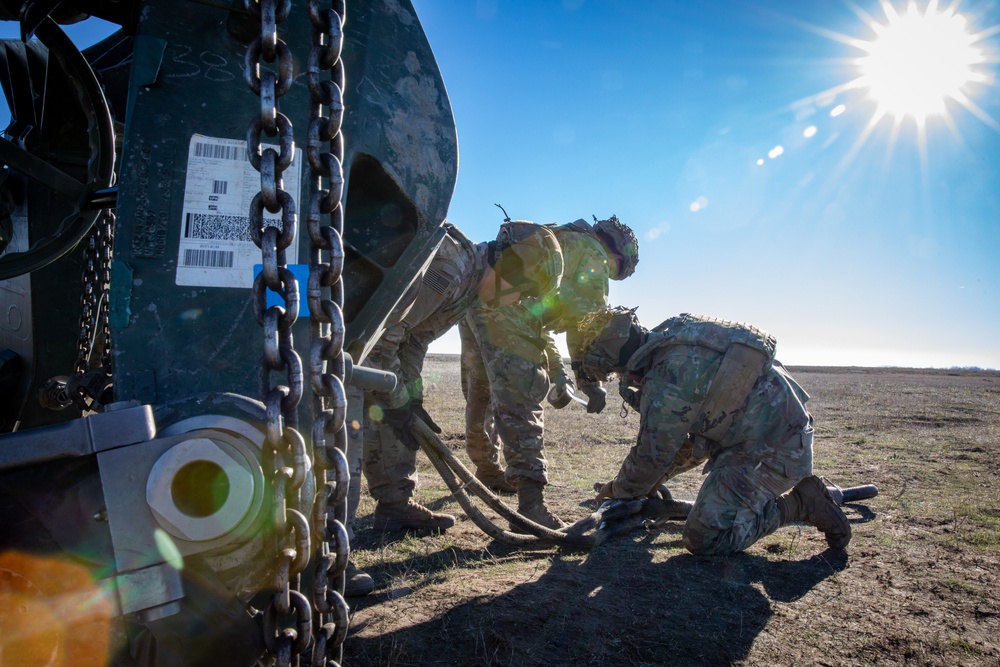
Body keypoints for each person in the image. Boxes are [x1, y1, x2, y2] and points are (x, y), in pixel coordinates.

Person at [579, 307, 851, 555]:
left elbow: (652, 455)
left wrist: (619, 489)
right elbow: (691, 444)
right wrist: (648, 483)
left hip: (772, 453)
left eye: (615, 373)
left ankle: (801, 504)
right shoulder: (676, 335)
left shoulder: (666, 380)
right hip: (773, 438)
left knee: (705, 537)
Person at [362, 221, 564, 533]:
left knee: (398, 416)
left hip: (364, 348)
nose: (516, 303)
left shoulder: (467, 288)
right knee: (344, 430)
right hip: (333, 334)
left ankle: (395, 507)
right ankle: (326, 550)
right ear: (507, 267)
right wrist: (398, 399)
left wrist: (410, 397)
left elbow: (413, 340)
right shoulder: (451, 270)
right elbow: (381, 338)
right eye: (521, 291)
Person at [459, 215, 639, 529]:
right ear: (618, 257)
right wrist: (590, 382)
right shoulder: (592, 254)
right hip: (506, 305)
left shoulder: (562, 238)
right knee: (522, 397)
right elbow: (584, 324)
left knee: (482, 392)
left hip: (478, 296)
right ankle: (531, 506)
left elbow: (537, 325)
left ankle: (487, 471)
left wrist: (559, 374)